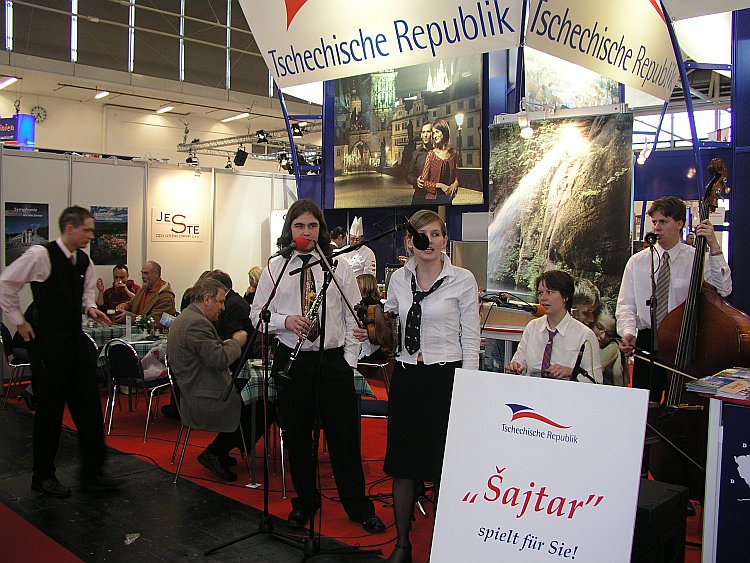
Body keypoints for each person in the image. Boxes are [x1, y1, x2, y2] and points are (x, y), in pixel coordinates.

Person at [251, 199, 385, 534]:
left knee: (344, 437)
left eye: (312, 226)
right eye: (299, 226)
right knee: (297, 436)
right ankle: (306, 503)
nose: (306, 232)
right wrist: (284, 320)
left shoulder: (337, 266)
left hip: (333, 360)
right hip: (292, 361)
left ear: (320, 230)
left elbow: (356, 315)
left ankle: (358, 507)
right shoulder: (274, 267)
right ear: (290, 231)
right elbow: (256, 316)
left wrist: (349, 358)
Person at [376, 209, 480, 562]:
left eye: (437, 234)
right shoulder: (398, 281)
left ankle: (448, 544)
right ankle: (402, 544)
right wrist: (373, 331)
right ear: (409, 241)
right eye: (423, 235)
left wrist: (470, 387)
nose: (430, 241)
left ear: (445, 239)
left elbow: (471, 338)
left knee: (445, 466)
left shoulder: (463, 280)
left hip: (444, 380)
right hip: (407, 378)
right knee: (403, 465)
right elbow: (389, 324)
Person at [0, 206, 122, 497]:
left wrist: (90, 308)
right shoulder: (40, 255)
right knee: (50, 412)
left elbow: (86, 294)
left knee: (90, 408)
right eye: (87, 230)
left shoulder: (84, 261)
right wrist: (19, 321)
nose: (91, 236)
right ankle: (42, 476)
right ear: (70, 228)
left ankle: (92, 472)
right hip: (49, 343)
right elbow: (6, 283)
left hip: (75, 341)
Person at [616, 196, 731, 401]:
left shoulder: (695, 259)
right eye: (654, 222)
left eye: (663, 222)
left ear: (679, 224)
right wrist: (627, 332)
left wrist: (713, 246)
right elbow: (626, 305)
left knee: (680, 406)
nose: (657, 228)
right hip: (647, 340)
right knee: (645, 408)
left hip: (683, 341)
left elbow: (724, 288)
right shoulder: (638, 262)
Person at [166, 277, 248, 482]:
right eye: (220, 301)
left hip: (195, 389)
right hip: (203, 396)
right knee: (259, 409)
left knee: (252, 400)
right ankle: (215, 452)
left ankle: (221, 450)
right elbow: (219, 359)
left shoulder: (188, 317)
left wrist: (223, 344)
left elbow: (210, 352)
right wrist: (236, 343)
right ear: (206, 299)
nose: (222, 307)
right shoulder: (196, 324)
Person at [508, 270, 602, 383]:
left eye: (549, 292)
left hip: (567, 396)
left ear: (565, 297)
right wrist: (516, 367)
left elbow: (596, 382)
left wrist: (571, 372)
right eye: (540, 293)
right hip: (531, 392)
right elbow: (519, 361)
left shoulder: (585, 335)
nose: (543, 298)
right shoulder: (533, 327)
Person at [114, 260, 176, 328]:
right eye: (142, 273)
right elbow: (131, 304)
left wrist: (130, 317)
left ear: (156, 274)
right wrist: (124, 306)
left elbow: (155, 322)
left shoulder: (166, 297)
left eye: (146, 273)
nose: (143, 277)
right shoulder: (143, 290)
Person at [415, 119, 459, 205]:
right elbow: (424, 182)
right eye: (433, 133)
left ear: (444, 132)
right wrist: (440, 186)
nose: (434, 136)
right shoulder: (431, 154)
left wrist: (455, 184)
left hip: (448, 198)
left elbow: (457, 175)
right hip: (432, 200)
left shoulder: (453, 153)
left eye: (437, 132)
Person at [406, 122, 433, 205]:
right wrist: (416, 181)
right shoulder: (415, 154)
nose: (425, 135)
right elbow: (408, 175)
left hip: (434, 197)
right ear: (421, 135)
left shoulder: (438, 153)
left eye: (428, 132)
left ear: (433, 133)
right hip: (419, 195)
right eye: (423, 132)